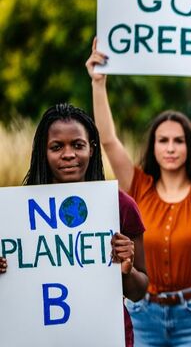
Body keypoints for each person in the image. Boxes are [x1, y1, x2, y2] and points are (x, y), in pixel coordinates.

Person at [86, 34, 191, 346]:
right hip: (143, 314)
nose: (170, 148)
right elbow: (107, 140)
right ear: (153, 146)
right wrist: (98, 83)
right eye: (163, 140)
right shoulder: (138, 187)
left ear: (189, 146)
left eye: (178, 140)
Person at [19, 103, 148, 347]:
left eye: (78, 145)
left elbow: (138, 291)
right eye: (57, 147)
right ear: (42, 153)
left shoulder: (121, 206)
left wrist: (127, 270)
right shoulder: (18, 214)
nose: (68, 154)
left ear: (92, 149)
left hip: (106, 337)